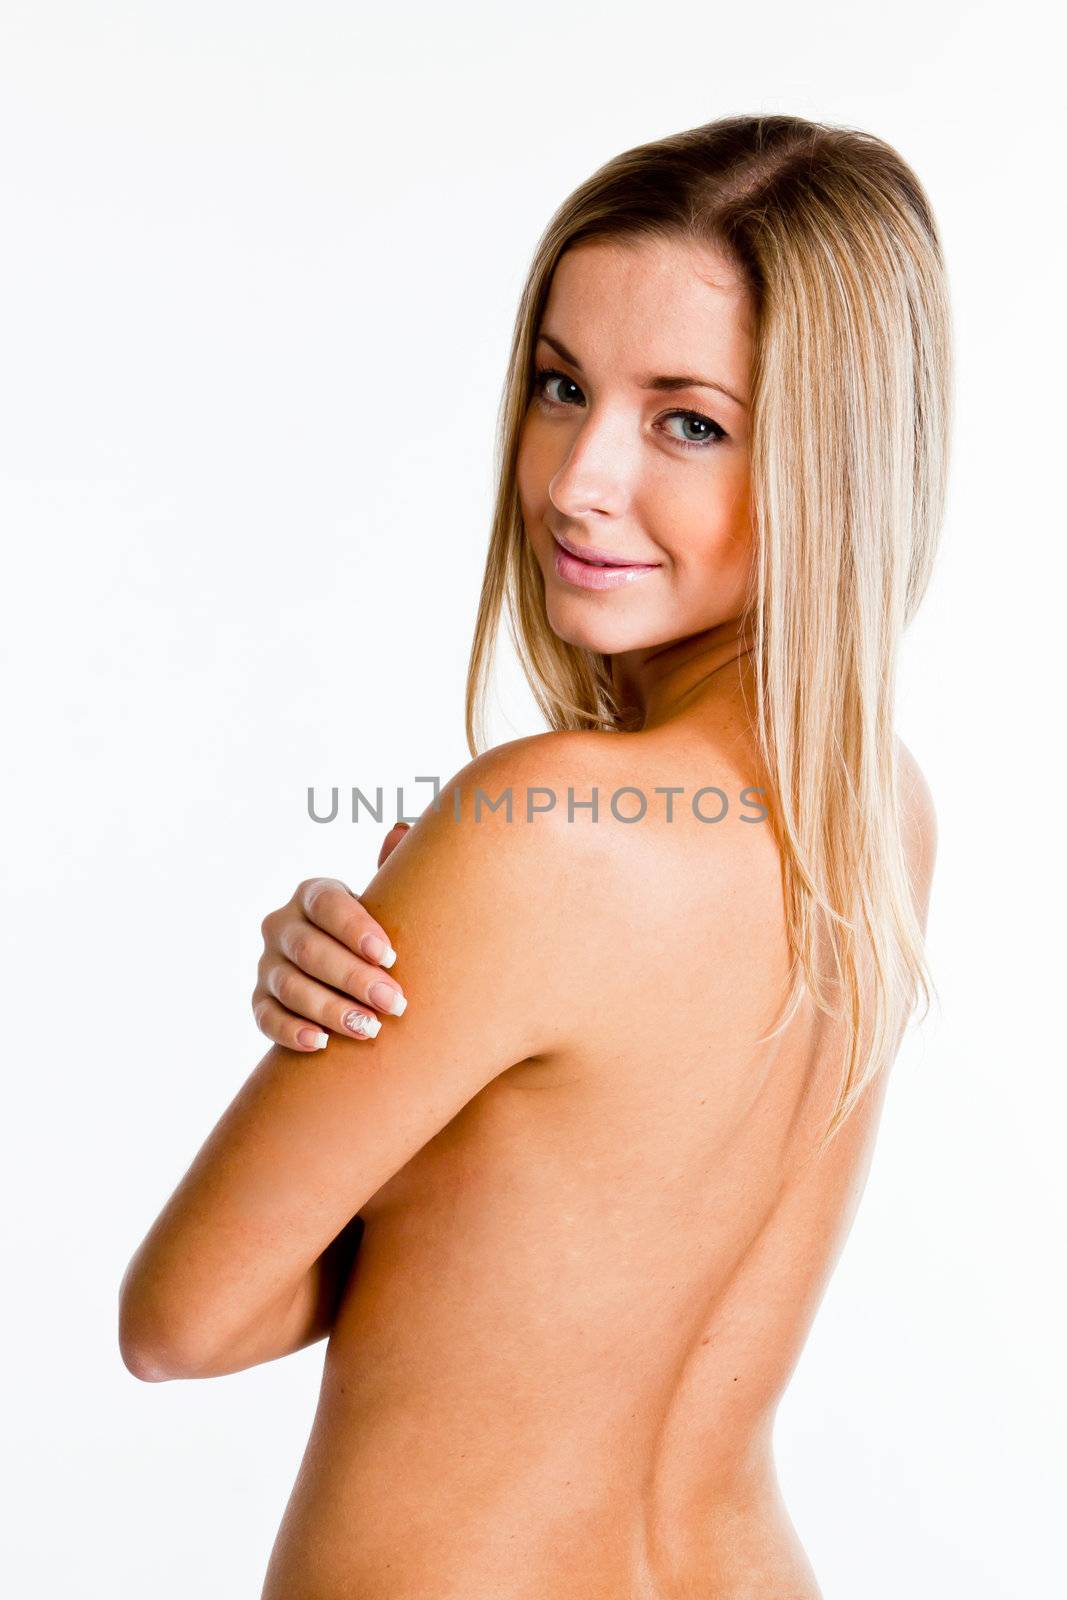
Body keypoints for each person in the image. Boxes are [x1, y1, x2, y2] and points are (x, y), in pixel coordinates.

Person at [117, 112, 950, 1599]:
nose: (576, 480)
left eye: (688, 420)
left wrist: (392, 1071)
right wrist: (427, 1075)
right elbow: (596, 1237)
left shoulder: (543, 827)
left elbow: (182, 1322)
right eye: (562, 387)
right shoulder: (879, 810)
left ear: (837, 455)